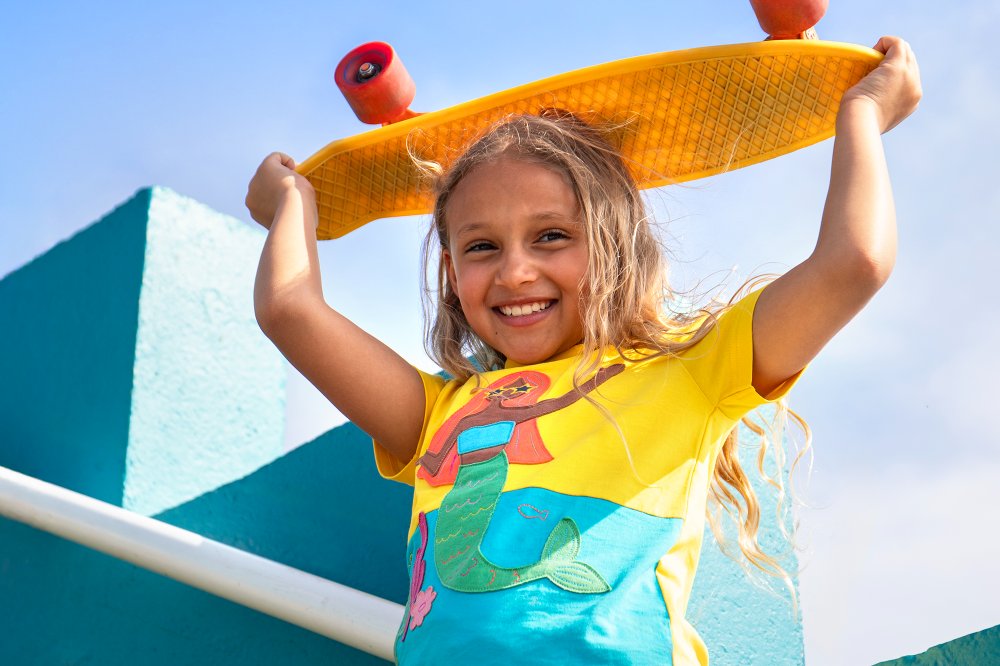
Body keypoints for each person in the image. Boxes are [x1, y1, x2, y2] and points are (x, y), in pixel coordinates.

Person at [246, 36, 921, 665]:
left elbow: (853, 261)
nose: (514, 272)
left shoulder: (690, 374)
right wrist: (293, 204)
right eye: (482, 247)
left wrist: (862, 114)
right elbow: (290, 309)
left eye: (550, 237)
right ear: (452, 275)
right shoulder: (438, 417)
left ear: (613, 246)